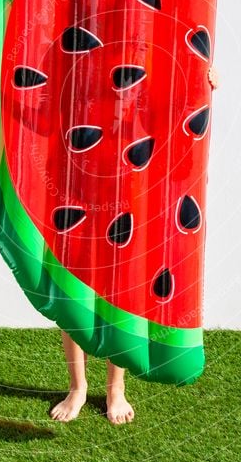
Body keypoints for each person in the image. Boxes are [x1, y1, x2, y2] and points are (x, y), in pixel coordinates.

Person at [50, 65, 219, 424]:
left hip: (129, 195)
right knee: (74, 290)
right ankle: (77, 386)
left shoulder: (146, 86)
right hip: (78, 188)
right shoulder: (79, 81)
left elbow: (176, 117)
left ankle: (116, 388)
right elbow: (40, 110)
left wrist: (204, 87)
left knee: (120, 291)